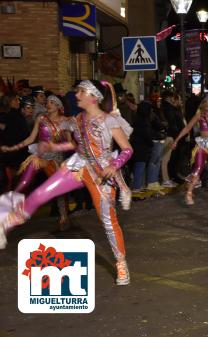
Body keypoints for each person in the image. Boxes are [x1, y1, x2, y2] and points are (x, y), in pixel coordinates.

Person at [0, 80, 134, 285]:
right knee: (41, 193)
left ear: (93, 96)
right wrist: (53, 145)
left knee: (108, 221)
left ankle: (121, 263)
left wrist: (113, 166)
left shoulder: (109, 121)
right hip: (77, 166)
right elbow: (74, 143)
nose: (76, 95)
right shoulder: (77, 119)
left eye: (81, 91)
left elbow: (127, 149)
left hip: (101, 173)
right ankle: (5, 223)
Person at [0, 95, 72, 230]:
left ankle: (64, 216)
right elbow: (31, 139)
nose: (48, 104)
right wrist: (12, 148)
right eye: (48, 101)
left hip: (55, 159)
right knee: (23, 182)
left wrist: (55, 147)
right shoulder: (41, 118)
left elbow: (71, 144)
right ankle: (6, 211)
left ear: (59, 106)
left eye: (52, 102)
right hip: (38, 157)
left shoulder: (65, 122)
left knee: (58, 189)